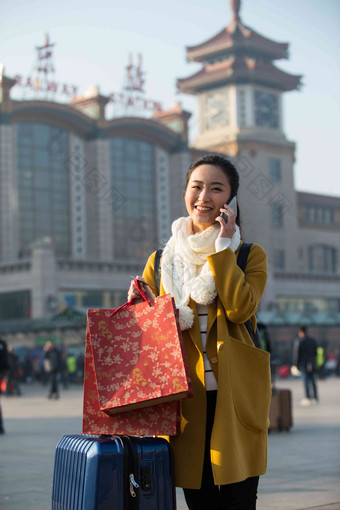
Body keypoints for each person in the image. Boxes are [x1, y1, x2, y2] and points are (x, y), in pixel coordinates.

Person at [128, 154, 271, 510]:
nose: (203, 197)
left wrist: (223, 248)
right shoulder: (161, 260)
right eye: (197, 187)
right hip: (185, 402)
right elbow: (148, 333)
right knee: (201, 502)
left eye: (216, 189)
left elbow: (240, 308)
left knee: (240, 501)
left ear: (231, 201)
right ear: (185, 194)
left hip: (235, 398)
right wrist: (135, 303)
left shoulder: (248, 255)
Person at [296, 326, 318, 406]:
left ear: (301, 332)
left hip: (303, 363)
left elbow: (297, 353)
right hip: (312, 363)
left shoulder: (300, 341)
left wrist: (296, 364)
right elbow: (316, 352)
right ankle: (315, 398)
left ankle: (307, 397)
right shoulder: (312, 340)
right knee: (313, 381)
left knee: (305, 381)